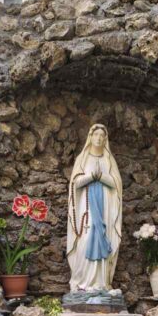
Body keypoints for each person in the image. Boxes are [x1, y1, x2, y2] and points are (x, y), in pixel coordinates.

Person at [66, 124, 123, 293]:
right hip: (86, 208)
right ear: (90, 137)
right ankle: (82, 282)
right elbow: (75, 184)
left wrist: (102, 177)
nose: (98, 138)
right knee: (85, 239)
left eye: (101, 136)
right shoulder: (82, 159)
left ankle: (101, 283)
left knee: (102, 236)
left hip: (105, 206)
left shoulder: (108, 160)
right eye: (95, 134)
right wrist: (91, 176)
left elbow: (116, 185)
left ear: (105, 139)